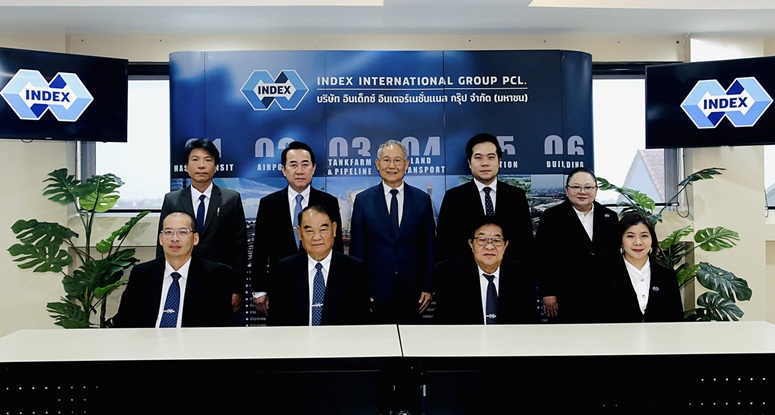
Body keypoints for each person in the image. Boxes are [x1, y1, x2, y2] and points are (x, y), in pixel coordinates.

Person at [251, 140, 344, 316]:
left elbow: (337, 246)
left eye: (305, 164)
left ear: (313, 168)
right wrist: (259, 290)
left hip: (321, 284)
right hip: (281, 286)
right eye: (293, 165)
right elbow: (260, 250)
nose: (299, 171)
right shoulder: (269, 204)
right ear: (283, 170)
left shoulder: (328, 202)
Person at [349, 139, 436, 324]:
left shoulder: (422, 200)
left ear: (406, 164)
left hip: (414, 292)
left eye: (397, 160)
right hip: (375, 292)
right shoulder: (363, 200)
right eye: (386, 160)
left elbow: (430, 247)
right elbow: (357, 250)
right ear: (377, 164)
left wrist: (428, 286)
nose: (392, 166)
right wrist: (361, 289)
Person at [157, 138, 247, 314]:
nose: (201, 165)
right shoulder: (172, 200)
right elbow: (163, 246)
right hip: (183, 280)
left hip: (220, 281)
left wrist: (237, 289)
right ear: (186, 166)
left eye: (207, 160)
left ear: (216, 166)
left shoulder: (231, 199)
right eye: (195, 159)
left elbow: (239, 248)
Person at [111, 211, 236, 328]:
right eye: (168, 232)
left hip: (195, 342)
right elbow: (124, 321)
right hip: (149, 342)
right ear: (161, 239)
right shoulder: (142, 274)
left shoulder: (216, 276)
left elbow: (222, 325)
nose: (174, 238)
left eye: (183, 232)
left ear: (195, 239)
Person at [534, 167, 619, 323]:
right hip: (566, 294)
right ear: (567, 190)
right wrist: (548, 292)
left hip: (603, 293)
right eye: (576, 187)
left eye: (588, 187)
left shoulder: (609, 217)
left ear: (596, 190)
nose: (582, 192)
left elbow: (615, 255)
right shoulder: (552, 217)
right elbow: (542, 257)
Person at [436, 133, 533, 265]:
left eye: (491, 157)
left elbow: (525, 242)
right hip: (466, 272)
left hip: (509, 272)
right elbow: (445, 245)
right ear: (469, 163)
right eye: (478, 157)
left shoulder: (516, 196)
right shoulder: (453, 198)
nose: (485, 163)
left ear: (499, 161)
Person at [267, 205, 371, 326]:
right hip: (297, 337)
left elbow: (361, 322)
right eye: (309, 231)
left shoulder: (355, 270)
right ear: (299, 233)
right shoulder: (283, 270)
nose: (316, 237)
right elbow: (276, 322)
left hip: (341, 337)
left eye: (323, 230)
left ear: (334, 229)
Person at [433, 217, 540, 325]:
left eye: (496, 240)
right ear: (471, 244)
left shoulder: (522, 275)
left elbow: (530, 321)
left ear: (505, 245)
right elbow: (444, 323)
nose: (489, 247)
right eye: (482, 240)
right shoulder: (449, 274)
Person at [607, 213, 684, 323]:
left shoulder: (667, 275)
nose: (638, 242)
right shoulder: (606, 274)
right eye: (630, 236)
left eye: (644, 236)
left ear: (652, 240)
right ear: (621, 241)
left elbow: (676, 320)